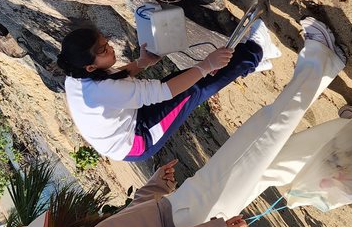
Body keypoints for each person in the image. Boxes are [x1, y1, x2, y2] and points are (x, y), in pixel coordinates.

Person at [5, 18, 347, 227]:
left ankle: (344, 135)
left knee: (268, 162)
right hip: (194, 218)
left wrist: (153, 187)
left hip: (184, 210)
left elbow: (133, 226)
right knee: (263, 134)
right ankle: (321, 59)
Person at [59, 20, 277, 163]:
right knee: (194, 88)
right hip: (136, 140)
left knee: (184, 78)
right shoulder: (101, 90)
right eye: (104, 50)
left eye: (107, 42)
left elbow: (115, 76)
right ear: (90, 66)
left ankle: (249, 63)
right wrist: (206, 65)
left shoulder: (77, 73)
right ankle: (256, 51)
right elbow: (164, 91)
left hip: (126, 118)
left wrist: (143, 62)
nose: (111, 48)